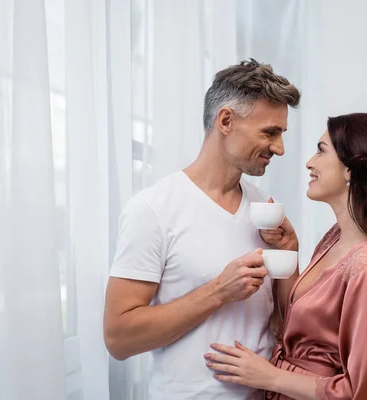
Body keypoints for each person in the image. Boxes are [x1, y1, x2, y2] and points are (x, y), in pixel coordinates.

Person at [103, 59, 301, 399]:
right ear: (226, 120)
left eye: (281, 133)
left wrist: (289, 253)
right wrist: (219, 291)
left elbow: (286, 323)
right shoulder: (153, 209)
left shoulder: (265, 207)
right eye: (270, 132)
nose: (279, 148)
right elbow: (119, 339)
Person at [205, 113, 367, 400]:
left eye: (321, 150)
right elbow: (303, 326)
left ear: (352, 169)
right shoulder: (335, 237)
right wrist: (289, 250)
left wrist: (270, 376)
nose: (310, 162)